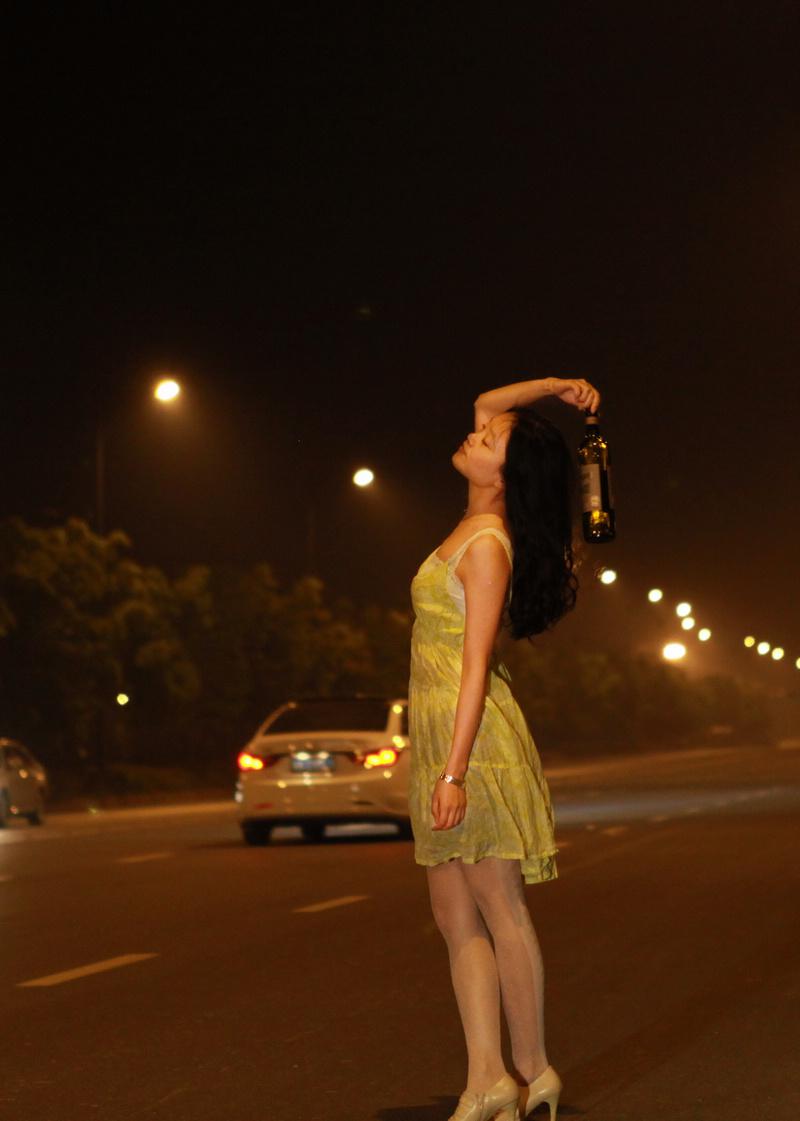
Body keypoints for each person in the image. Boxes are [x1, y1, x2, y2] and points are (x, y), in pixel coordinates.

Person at [407, 376, 601, 1121]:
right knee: (454, 916)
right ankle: (485, 1076)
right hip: (441, 738)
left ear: (506, 475)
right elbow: (491, 401)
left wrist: (453, 772)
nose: (476, 432)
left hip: (475, 745)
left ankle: (534, 1067)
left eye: (489, 440)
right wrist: (559, 387)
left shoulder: (487, 546)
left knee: (500, 906)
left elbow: (476, 666)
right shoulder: (469, 524)